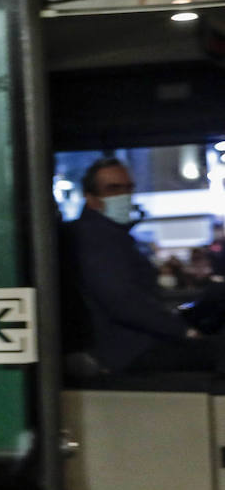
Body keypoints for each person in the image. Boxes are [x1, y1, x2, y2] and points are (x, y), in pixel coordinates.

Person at [66, 157, 216, 373]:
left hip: (132, 343)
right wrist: (183, 331)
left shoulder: (111, 235)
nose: (124, 195)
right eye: (113, 189)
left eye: (128, 188)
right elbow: (122, 301)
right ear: (91, 199)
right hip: (127, 350)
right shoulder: (96, 238)